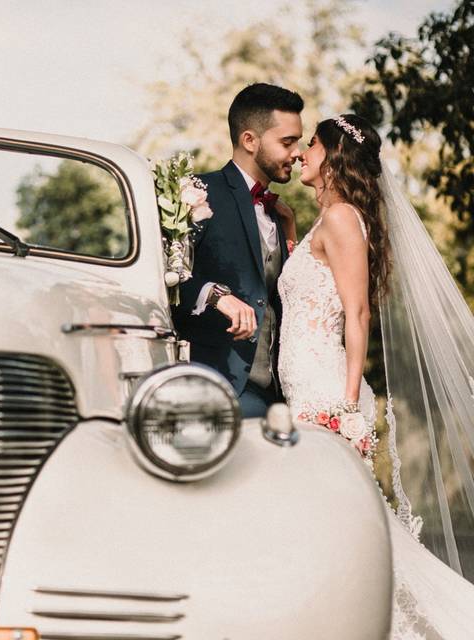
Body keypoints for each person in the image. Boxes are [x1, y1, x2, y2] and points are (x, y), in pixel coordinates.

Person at [278, 112, 474, 638]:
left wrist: (344, 409)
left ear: (335, 156)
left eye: (311, 144)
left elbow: (357, 313)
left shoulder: (342, 217)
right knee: (325, 524)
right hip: (307, 389)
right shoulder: (328, 219)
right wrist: (292, 230)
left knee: (341, 527)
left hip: (325, 395)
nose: (300, 153)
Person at [171, 83, 303, 418]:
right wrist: (214, 294)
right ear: (249, 140)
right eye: (288, 142)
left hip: (278, 395)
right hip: (216, 389)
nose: (298, 153)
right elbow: (163, 277)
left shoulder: (281, 213)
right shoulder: (197, 193)